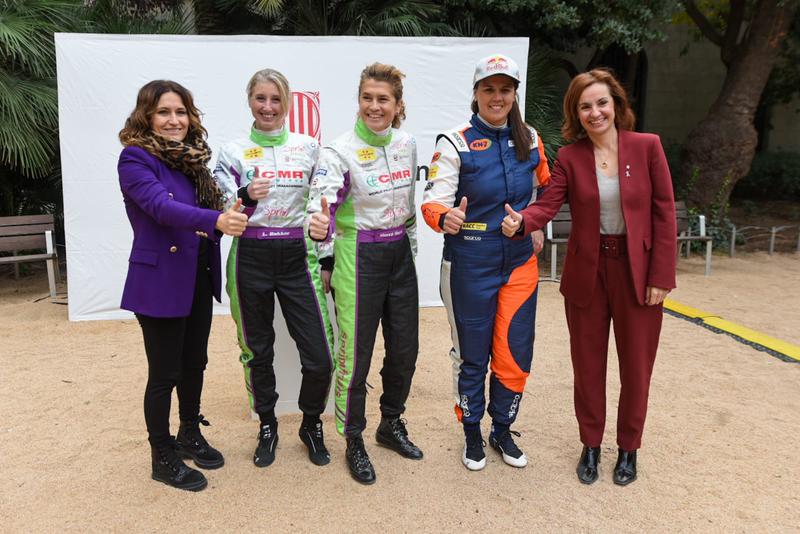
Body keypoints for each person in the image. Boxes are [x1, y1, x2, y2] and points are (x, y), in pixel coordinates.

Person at [502, 68, 677, 486]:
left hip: (639, 275)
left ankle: (629, 449)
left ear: (615, 104)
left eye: (601, 103)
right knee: (587, 366)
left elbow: (664, 214)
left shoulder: (647, 146)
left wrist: (661, 276)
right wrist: (523, 221)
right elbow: (549, 203)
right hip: (587, 274)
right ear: (576, 113)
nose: (595, 112)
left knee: (636, 368)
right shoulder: (570, 157)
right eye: (585, 106)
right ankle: (592, 445)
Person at [421, 54, 550, 471]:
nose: (497, 97)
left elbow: (550, 189)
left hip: (517, 264)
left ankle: (502, 429)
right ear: (475, 94)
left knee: (514, 353)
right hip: (468, 262)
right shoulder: (455, 141)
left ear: (515, 94)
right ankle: (472, 432)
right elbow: (433, 202)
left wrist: (535, 222)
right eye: (489, 89)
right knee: (472, 354)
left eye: (505, 89)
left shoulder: (530, 137)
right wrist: (446, 217)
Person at [118, 80, 248, 491]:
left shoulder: (192, 162)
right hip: (158, 281)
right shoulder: (135, 159)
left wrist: (242, 203)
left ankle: (189, 431)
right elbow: (160, 207)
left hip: (196, 276)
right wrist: (215, 221)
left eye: (181, 112)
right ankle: (162, 455)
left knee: (195, 363)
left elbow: (214, 213)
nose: (174, 120)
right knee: (164, 373)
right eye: (164, 112)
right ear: (147, 117)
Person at [307, 62, 422, 485]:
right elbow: (320, 211)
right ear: (359, 100)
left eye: (383, 99)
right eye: (368, 98)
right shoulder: (338, 150)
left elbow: (409, 205)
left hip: (399, 257)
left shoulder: (408, 143)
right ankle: (353, 438)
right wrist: (322, 251)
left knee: (406, 351)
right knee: (355, 355)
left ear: (397, 105)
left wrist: (410, 253)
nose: (375, 106)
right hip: (357, 255)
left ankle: (390, 423)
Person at [213, 69, 335, 468]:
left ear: (287, 103)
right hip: (250, 256)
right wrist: (244, 196)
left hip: (298, 256)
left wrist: (326, 244)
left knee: (320, 356)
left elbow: (325, 205)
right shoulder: (232, 151)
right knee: (257, 351)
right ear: (250, 100)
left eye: (276, 99)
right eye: (260, 98)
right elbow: (221, 207)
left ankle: (311, 422)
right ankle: (267, 424)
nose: (268, 107)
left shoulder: (309, 148)